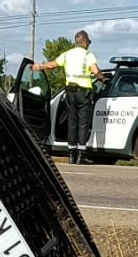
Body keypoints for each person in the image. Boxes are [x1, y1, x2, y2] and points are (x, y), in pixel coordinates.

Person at [38, 30, 99, 162]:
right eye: (88, 41)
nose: (89, 44)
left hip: (70, 92)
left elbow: (52, 64)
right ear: (84, 41)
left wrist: (39, 67)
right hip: (84, 93)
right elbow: (95, 71)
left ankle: (71, 155)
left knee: (72, 121)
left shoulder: (67, 54)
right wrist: (102, 78)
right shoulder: (88, 55)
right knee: (83, 122)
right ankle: (81, 156)